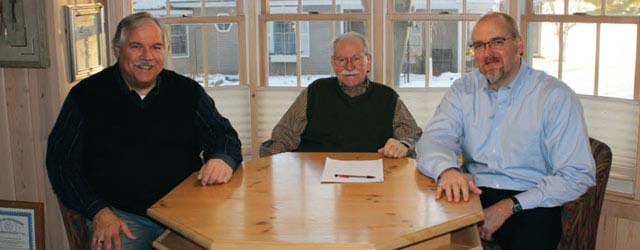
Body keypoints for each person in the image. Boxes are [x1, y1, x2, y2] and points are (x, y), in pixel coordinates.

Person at [46, 12, 242, 250]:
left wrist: (222, 159)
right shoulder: (86, 96)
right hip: (119, 217)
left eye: (156, 47)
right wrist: (97, 210)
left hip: (184, 214)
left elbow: (224, 136)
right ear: (117, 50)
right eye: (136, 46)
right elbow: (60, 163)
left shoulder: (187, 92)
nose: (147, 57)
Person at [415, 12, 595, 250]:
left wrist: (509, 206)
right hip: (474, 193)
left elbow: (577, 174)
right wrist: (447, 170)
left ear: (519, 45)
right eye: (479, 46)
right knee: (424, 239)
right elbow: (432, 140)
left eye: (497, 43)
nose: (487, 53)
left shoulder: (554, 96)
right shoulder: (463, 90)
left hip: (532, 200)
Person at [261, 32, 422, 158]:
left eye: (356, 58)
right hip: (317, 181)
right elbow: (283, 136)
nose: (349, 66)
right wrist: (273, 166)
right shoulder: (315, 91)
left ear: (368, 61)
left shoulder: (387, 97)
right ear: (333, 62)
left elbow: (413, 135)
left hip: (373, 181)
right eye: (341, 60)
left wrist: (403, 145)